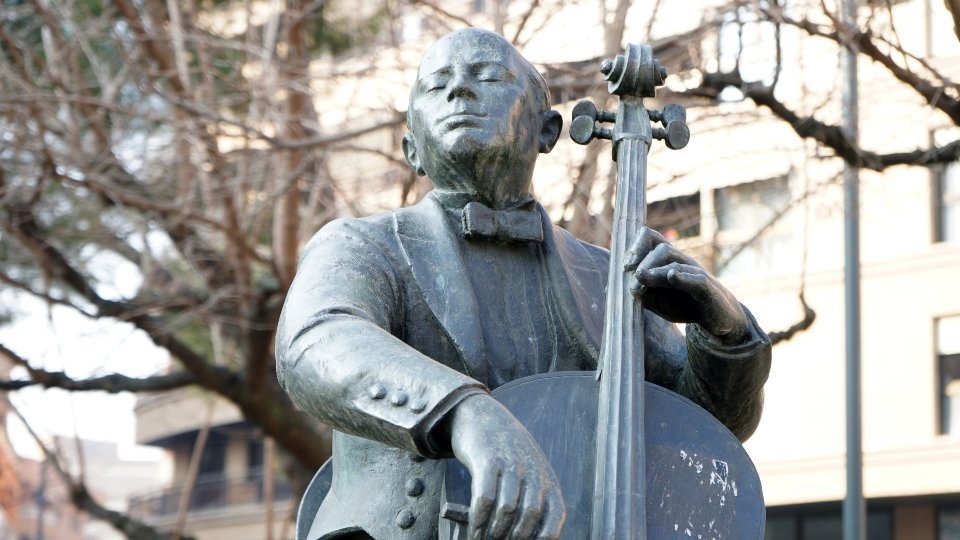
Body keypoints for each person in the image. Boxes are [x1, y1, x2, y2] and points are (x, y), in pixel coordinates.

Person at [276, 28, 771, 540]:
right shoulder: (362, 246)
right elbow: (315, 342)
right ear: (411, 150)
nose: (459, 91)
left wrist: (726, 333)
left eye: (487, 77)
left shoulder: (607, 276)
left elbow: (704, 431)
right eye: (436, 84)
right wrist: (464, 411)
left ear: (547, 131)